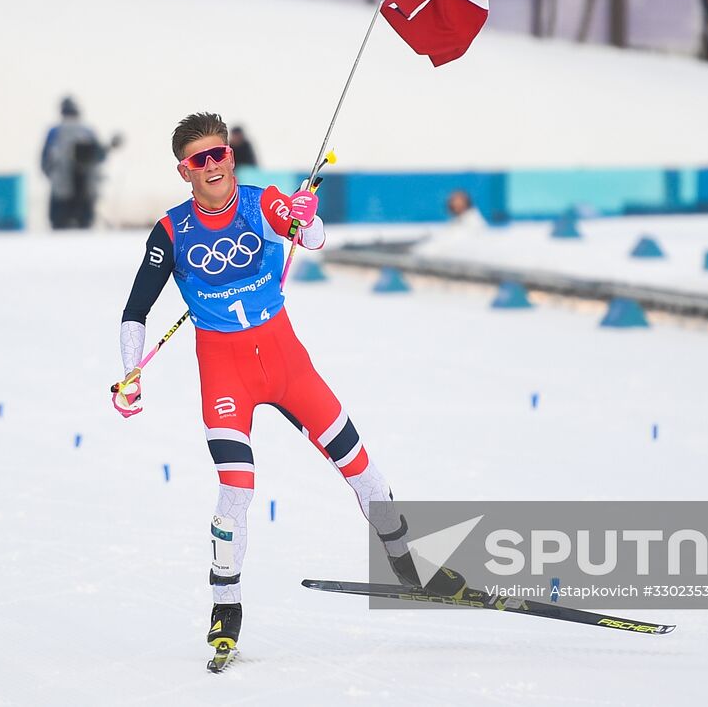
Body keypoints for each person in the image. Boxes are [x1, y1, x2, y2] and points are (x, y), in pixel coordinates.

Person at [111, 112, 464, 661]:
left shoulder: (261, 201)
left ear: (231, 156)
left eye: (219, 154)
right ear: (184, 172)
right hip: (225, 371)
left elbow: (315, 237)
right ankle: (225, 606)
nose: (212, 167)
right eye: (198, 160)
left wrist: (305, 217)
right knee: (235, 493)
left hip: (286, 364)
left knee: (363, 468)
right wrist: (130, 372)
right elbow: (136, 309)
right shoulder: (172, 231)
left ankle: (408, 565)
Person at [40, 96, 120, 229]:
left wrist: (52, 176)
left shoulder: (55, 132)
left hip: (61, 190)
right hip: (86, 191)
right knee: (85, 229)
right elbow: (100, 156)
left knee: (59, 230)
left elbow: (44, 160)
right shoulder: (88, 131)